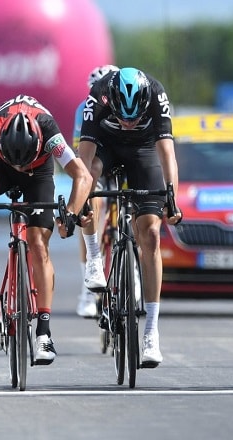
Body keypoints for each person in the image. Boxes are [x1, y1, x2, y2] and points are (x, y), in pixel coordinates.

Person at [0, 94, 93, 364]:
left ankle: (44, 331)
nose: (20, 166)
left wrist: (72, 215)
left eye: (22, 161)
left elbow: (83, 176)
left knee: (39, 245)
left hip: (38, 173)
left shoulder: (49, 130)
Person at [77, 67, 182, 367]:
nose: (127, 123)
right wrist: (82, 199)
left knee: (149, 234)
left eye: (133, 118)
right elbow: (83, 160)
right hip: (106, 150)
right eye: (122, 117)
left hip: (143, 151)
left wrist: (170, 196)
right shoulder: (97, 96)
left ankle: (151, 331)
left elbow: (166, 155)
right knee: (91, 176)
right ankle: (95, 257)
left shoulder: (157, 94)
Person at [72, 64, 119, 318]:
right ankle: (87, 291)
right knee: (90, 207)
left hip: (121, 159)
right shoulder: (84, 109)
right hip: (96, 160)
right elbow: (79, 155)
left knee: (136, 208)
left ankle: (131, 270)